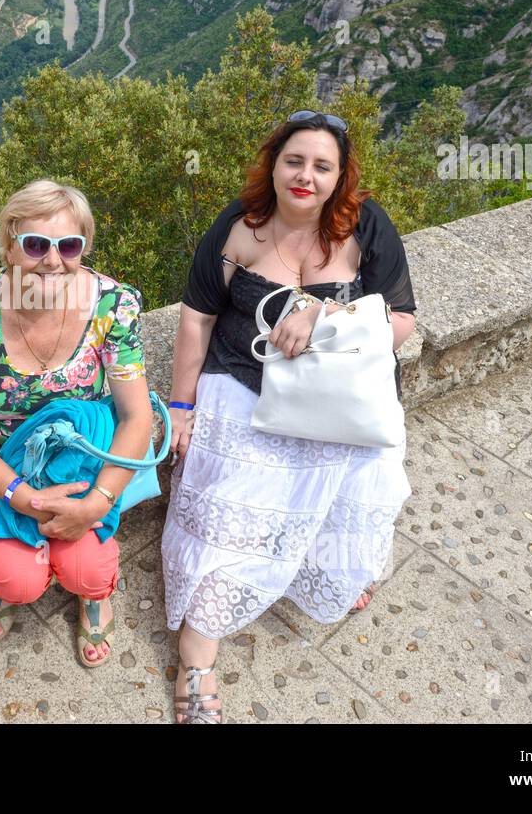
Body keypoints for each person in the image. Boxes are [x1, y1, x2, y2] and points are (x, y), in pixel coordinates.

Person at [162, 111, 417, 722]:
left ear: (340, 176)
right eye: (294, 161)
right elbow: (197, 318)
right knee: (230, 513)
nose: (306, 176)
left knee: (356, 483)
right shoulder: (239, 226)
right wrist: (180, 406)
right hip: (242, 384)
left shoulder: (367, 226)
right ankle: (197, 660)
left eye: (321, 166)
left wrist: (323, 316)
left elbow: (402, 321)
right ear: (273, 164)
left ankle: (329, 570)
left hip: (337, 400)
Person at [0, 178, 154, 667]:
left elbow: (135, 416)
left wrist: (96, 501)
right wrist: (23, 496)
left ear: (85, 248)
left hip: (76, 455)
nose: (52, 260)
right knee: (18, 582)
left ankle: (94, 595)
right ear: (10, 243)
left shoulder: (113, 306)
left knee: (88, 572)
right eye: (36, 244)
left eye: (69, 245)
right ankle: (11, 579)